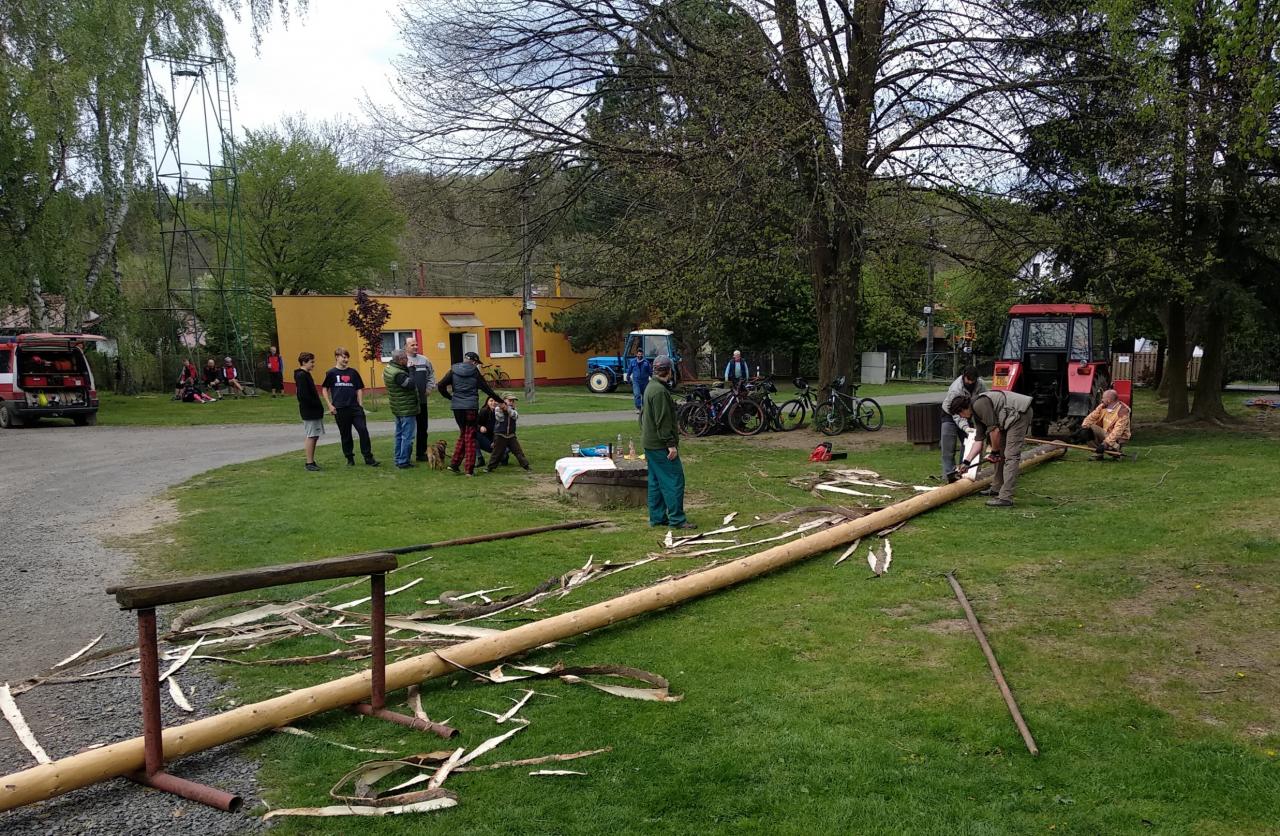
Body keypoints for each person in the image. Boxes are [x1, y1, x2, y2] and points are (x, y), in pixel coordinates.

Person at [950, 390, 1035, 507]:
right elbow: (978, 441)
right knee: (1001, 454)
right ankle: (996, 487)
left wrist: (994, 452)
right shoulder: (976, 414)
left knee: (1011, 456)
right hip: (1009, 417)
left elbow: (994, 431)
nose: (961, 417)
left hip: (1019, 413)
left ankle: (1006, 497)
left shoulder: (979, 405)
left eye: (959, 414)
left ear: (963, 409)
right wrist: (966, 462)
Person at [641, 355, 694, 529]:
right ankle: (677, 519)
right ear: (669, 371)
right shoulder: (659, 391)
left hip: (650, 443)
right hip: (659, 445)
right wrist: (670, 445)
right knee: (674, 480)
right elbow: (662, 421)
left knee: (656, 481)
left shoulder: (651, 387)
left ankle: (657, 517)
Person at [438, 350, 501, 476]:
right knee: (471, 436)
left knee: (464, 434)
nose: (477, 365)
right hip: (471, 407)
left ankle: (454, 464)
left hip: (457, 408)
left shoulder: (453, 370)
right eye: (477, 363)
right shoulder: (475, 372)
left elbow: (440, 385)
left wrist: (451, 398)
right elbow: (487, 389)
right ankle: (469, 469)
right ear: (473, 362)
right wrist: (500, 401)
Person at [322, 347, 380, 467]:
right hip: (340, 408)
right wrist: (330, 405)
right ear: (337, 357)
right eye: (343, 357)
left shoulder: (353, 372)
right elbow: (324, 389)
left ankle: (368, 457)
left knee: (363, 430)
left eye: (347, 357)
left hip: (355, 408)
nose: (346, 360)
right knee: (345, 434)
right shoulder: (331, 373)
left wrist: (360, 404)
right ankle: (349, 458)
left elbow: (359, 388)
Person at [941, 366, 988, 482]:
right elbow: (956, 413)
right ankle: (949, 475)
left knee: (969, 443)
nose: (971, 382)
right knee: (948, 446)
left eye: (973, 380)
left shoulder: (981, 384)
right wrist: (965, 427)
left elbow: (984, 401)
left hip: (967, 412)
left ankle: (963, 471)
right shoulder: (956, 390)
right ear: (964, 376)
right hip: (950, 413)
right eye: (968, 380)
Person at [383, 349, 420, 469]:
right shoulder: (398, 374)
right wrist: (412, 371)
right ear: (400, 360)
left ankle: (398, 458)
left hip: (397, 406)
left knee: (399, 435)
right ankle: (403, 461)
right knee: (407, 436)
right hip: (406, 408)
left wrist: (407, 369)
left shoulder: (389, 368)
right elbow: (410, 385)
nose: (407, 359)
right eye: (405, 358)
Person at [404, 337, 437, 462]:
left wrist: (429, 387)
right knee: (408, 430)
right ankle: (405, 456)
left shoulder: (424, 360)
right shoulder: (402, 360)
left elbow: (431, 374)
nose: (415, 347)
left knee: (423, 428)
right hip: (409, 401)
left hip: (422, 400)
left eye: (416, 344)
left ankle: (421, 453)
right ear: (406, 347)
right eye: (412, 345)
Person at [1077, 389, 1131, 459]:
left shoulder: (1123, 411)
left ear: (1109, 400)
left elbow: (1118, 431)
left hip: (1118, 438)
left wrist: (1105, 444)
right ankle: (1098, 453)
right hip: (1105, 433)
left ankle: (1116, 450)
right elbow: (1091, 417)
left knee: (1092, 427)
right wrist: (1084, 427)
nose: (1102, 400)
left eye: (1103, 398)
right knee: (1086, 430)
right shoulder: (1103, 406)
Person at [294, 352, 324, 471]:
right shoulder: (301, 375)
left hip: (314, 410)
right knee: (311, 435)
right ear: (304, 362)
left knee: (314, 435)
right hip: (309, 411)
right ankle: (309, 462)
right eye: (311, 362)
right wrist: (314, 405)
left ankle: (311, 461)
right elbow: (303, 395)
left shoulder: (306, 374)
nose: (313, 364)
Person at [486, 393, 530, 472]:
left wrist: (507, 409)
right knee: (496, 453)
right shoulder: (497, 408)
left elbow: (515, 416)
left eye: (513, 401)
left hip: (511, 435)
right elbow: (500, 418)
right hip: (500, 434)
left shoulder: (513, 409)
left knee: (518, 451)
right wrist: (502, 409)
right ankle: (490, 467)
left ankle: (526, 466)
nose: (512, 402)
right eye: (510, 400)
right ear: (504, 400)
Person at [626, 348, 652, 413]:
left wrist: (654, 379)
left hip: (645, 381)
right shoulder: (633, 362)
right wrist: (628, 379)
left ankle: (644, 408)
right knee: (637, 394)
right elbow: (629, 371)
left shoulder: (646, 362)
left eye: (641, 354)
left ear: (642, 354)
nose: (640, 355)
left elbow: (650, 372)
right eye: (638, 354)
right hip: (636, 381)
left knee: (644, 395)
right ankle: (638, 408)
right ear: (636, 354)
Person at [476, 396, 497, 467]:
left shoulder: (500, 412)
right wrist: (480, 427)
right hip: (487, 440)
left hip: (498, 441)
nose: (493, 402)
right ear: (487, 402)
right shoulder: (484, 411)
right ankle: (480, 459)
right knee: (472, 434)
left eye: (495, 401)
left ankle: (503, 456)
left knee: (504, 455)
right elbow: (474, 424)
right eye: (491, 401)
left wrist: (496, 440)